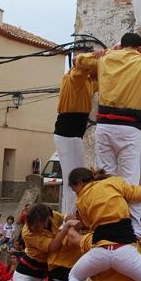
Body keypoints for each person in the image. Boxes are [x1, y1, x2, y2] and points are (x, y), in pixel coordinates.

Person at [76, 32, 141, 238]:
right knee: (130, 180)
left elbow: (79, 60)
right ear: (138, 48)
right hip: (129, 128)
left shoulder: (107, 58)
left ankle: (106, 223)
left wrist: (104, 51)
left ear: (122, 45)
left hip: (104, 126)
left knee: (105, 177)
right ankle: (134, 229)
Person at [54, 57, 97, 215]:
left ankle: (73, 213)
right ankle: (69, 215)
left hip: (75, 135)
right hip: (67, 135)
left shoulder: (89, 82)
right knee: (73, 178)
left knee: (77, 176)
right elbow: (82, 70)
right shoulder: (75, 78)